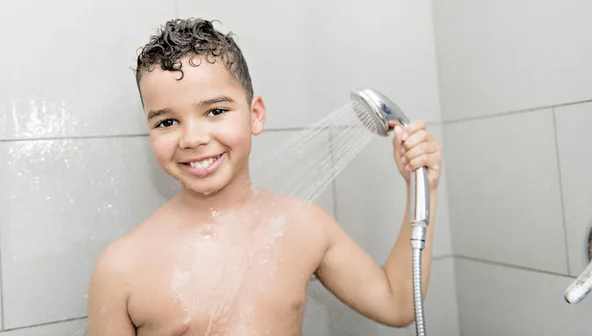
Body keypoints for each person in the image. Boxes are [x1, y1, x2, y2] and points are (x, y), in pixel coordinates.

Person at [87, 18, 443, 335]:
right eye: (167, 122)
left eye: (216, 111)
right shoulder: (121, 267)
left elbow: (398, 304)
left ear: (255, 115)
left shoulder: (303, 225)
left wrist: (421, 187)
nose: (193, 138)